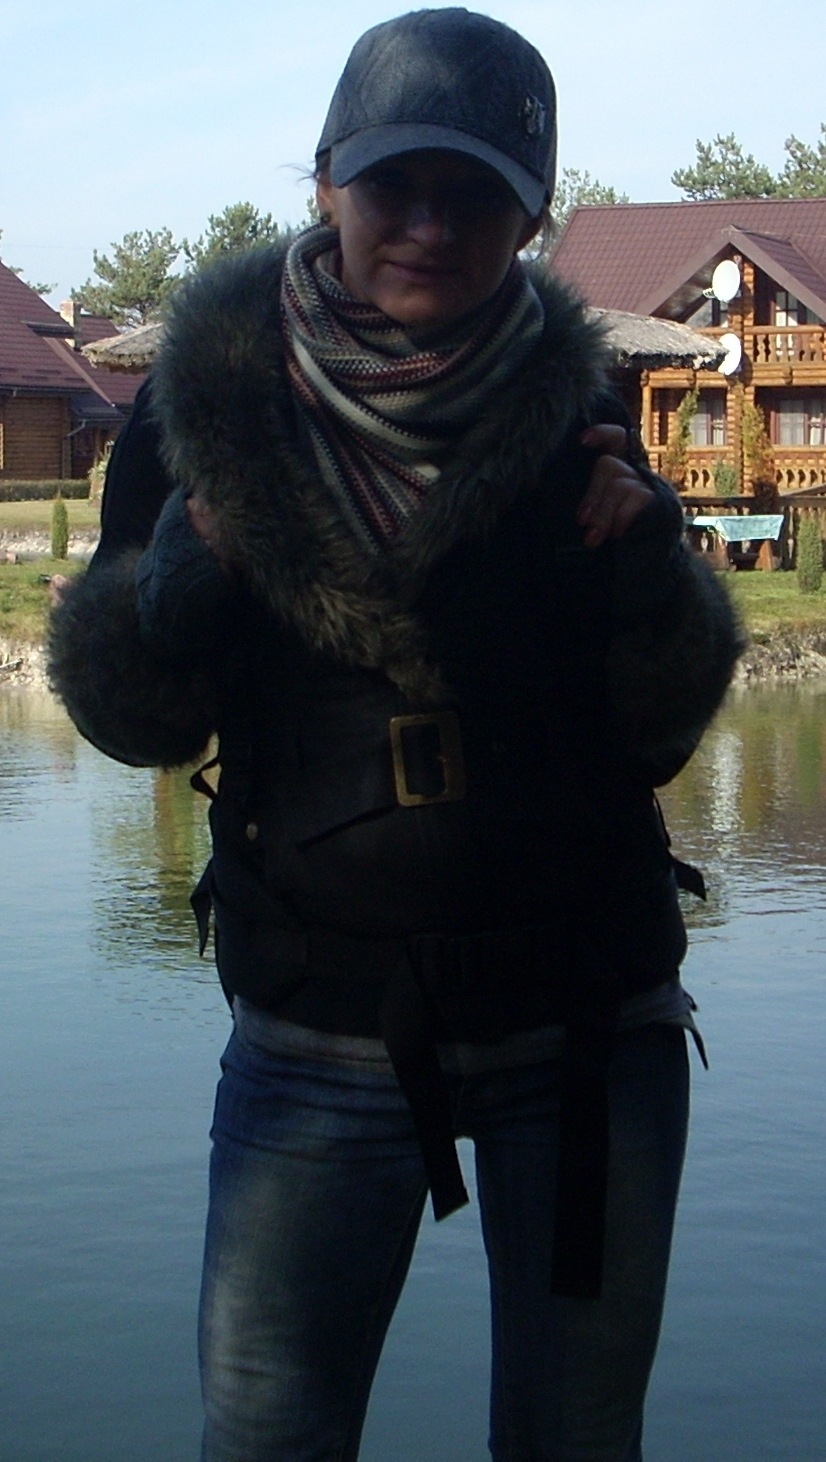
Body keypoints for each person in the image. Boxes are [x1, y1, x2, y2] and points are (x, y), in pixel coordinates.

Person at [49, 10, 742, 1459]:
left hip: (587, 1015)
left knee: (575, 1439)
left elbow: (656, 735)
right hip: (317, 1014)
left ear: (530, 217)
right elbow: (131, 720)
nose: (430, 224)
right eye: (395, 184)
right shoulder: (204, 408)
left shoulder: (579, 406)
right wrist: (181, 578)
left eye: (475, 192)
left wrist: (652, 580)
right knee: (266, 1438)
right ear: (325, 184)